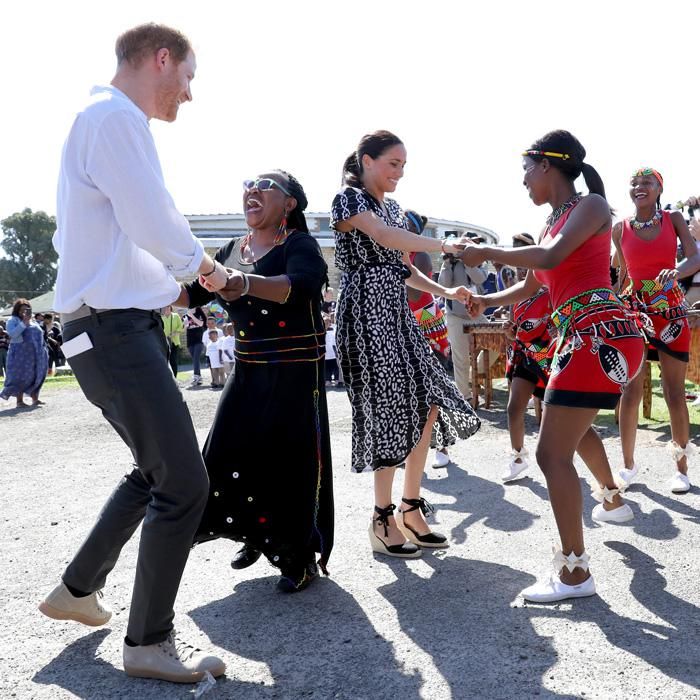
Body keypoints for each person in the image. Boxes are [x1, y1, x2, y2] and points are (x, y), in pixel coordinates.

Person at [39, 23, 227, 683]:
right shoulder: (116, 120)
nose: (189, 95)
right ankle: (147, 643)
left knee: (156, 472)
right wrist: (204, 268)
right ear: (162, 59)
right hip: (112, 330)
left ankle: (77, 590)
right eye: (188, 79)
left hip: (114, 327)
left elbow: (127, 234)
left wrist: (169, 288)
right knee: (183, 483)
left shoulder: (105, 121)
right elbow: (152, 218)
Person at [464, 130, 645, 603]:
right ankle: (612, 499)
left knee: (549, 453)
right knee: (562, 428)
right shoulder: (553, 223)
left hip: (599, 335)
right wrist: (485, 298)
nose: (523, 180)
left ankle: (574, 575)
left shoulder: (592, 207)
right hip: (580, 338)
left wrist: (488, 252)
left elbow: (549, 258)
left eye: (526, 169)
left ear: (546, 164)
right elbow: (531, 286)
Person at [178, 170, 334, 593]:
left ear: (289, 204)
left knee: (289, 464)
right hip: (248, 371)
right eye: (249, 184)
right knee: (228, 453)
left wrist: (240, 281)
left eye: (266, 185)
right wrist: (139, 282)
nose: (253, 190)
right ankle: (256, 536)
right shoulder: (232, 248)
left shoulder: (300, 245)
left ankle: (299, 559)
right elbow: (193, 295)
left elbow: (297, 288)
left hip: (294, 372)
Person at [331, 130, 479, 559]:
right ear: (367, 160)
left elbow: (401, 267)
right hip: (364, 315)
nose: (399, 172)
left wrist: (446, 292)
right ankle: (382, 517)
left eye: (403, 165)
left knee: (430, 398)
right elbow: (386, 238)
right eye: (393, 163)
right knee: (390, 408)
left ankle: (411, 508)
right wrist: (444, 244)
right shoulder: (350, 200)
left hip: (396, 313)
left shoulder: (392, 207)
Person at [613, 168, 700, 494]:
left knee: (674, 392)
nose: (639, 187)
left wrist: (675, 272)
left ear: (659, 188)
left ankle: (681, 469)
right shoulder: (619, 229)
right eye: (634, 183)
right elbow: (621, 275)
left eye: (646, 183)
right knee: (630, 392)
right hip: (634, 313)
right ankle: (627, 467)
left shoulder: (673, 218)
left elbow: (696, 256)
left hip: (670, 312)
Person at [501, 233, 554, 482]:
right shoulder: (516, 292)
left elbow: (560, 321)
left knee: (551, 413)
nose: (520, 264)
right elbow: (515, 327)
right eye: (517, 257)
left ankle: (557, 458)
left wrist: (555, 329)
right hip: (524, 356)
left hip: (548, 358)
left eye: (524, 255)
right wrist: (509, 332)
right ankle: (518, 458)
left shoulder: (550, 289)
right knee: (514, 408)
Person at [405, 209, 452, 468]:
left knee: (432, 388)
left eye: (402, 222)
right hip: (406, 323)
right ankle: (411, 445)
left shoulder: (419, 255)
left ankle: (442, 446)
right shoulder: (397, 252)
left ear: (411, 229)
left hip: (426, 325)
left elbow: (413, 294)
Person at [438, 231, 496, 406]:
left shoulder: (480, 261)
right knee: (460, 357)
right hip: (455, 315)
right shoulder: (451, 262)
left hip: (476, 314)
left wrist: (468, 261)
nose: (471, 248)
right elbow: (443, 285)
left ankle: (474, 375)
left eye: (475, 244)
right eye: (467, 244)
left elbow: (480, 279)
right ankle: (465, 396)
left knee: (497, 341)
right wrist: (448, 262)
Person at [0, 298, 49, 407]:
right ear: (17, 310)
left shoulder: (33, 321)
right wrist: (24, 323)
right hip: (20, 354)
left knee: (36, 374)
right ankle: (19, 401)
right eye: (22, 310)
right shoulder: (12, 320)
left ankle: (35, 399)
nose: (24, 312)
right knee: (20, 376)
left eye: (27, 309)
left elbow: (40, 334)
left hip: (36, 353)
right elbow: (12, 334)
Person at [184, 305, 207, 385]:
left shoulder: (199, 312)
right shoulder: (185, 314)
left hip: (199, 339)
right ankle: (199, 377)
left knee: (196, 358)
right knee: (194, 359)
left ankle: (196, 377)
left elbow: (201, 324)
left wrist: (192, 316)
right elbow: (184, 328)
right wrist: (185, 325)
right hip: (190, 340)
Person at [161, 305, 183, 377]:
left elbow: (181, 327)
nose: (166, 308)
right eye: (165, 307)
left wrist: (175, 333)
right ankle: (167, 377)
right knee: (165, 361)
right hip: (164, 342)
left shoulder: (175, 316)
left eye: (168, 307)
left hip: (174, 342)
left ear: (170, 308)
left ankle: (175, 377)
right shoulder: (161, 317)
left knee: (173, 360)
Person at [324, 314, 340, 386]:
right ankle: (328, 379)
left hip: (333, 352)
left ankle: (336, 379)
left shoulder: (334, 328)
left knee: (335, 367)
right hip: (325, 352)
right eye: (325, 323)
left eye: (328, 322)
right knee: (327, 368)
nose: (327, 324)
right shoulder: (321, 331)